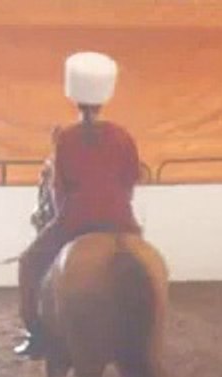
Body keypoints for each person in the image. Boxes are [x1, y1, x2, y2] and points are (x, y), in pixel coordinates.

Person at [15, 52, 142, 359]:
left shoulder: (66, 137)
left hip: (76, 217)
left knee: (28, 263)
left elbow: (59, 187)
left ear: (76, 99)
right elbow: (130, 178)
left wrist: (58, 219)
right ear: (104, 98)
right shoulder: (123, 135)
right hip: (120, 218)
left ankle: (37, 334)